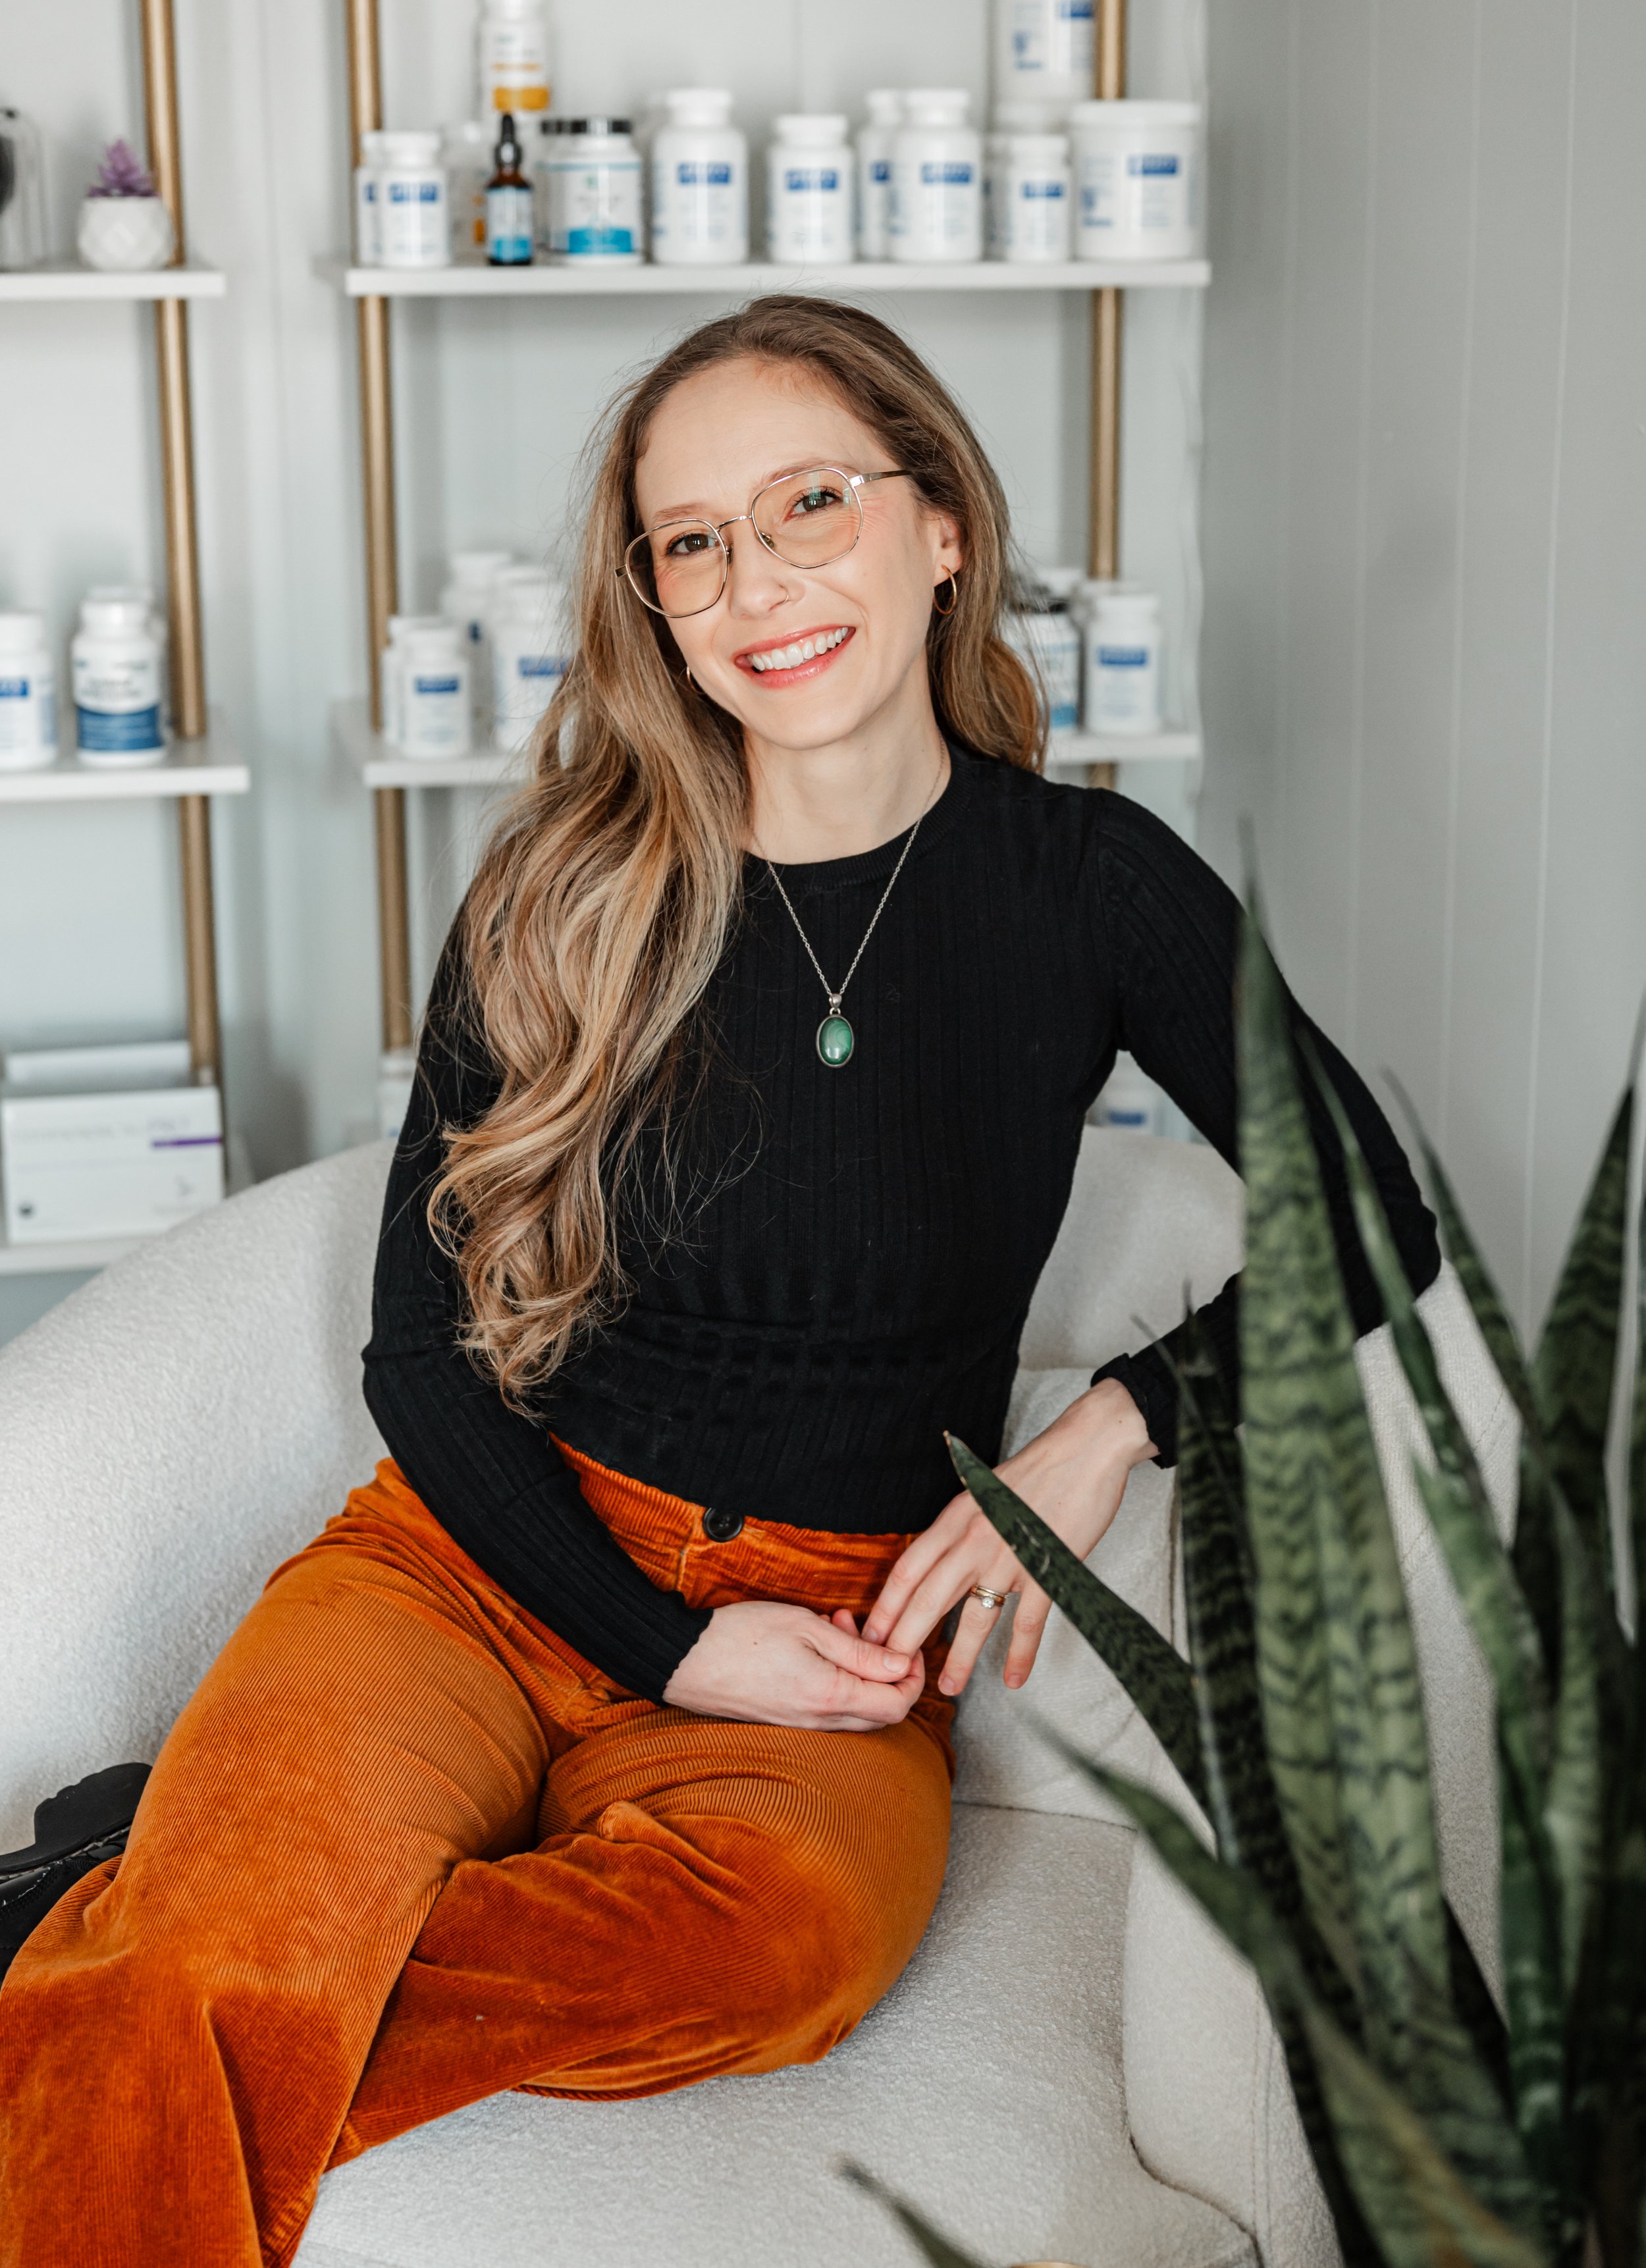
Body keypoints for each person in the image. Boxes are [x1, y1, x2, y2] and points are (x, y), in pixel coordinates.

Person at [0, 296, 1439, 2267]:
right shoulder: (564, 883)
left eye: (810, 505)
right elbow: (417, 1350)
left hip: (836, 1636)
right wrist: (663, 1643)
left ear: (940, 527)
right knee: (215, 1970)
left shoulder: (1090, 889)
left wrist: (1112, 1428)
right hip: (471, 1564)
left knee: (781, 1952)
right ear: (654, 603)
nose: (756, 579)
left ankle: (121, 1926)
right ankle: (177, 1940)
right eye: (693, 541)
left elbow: (1372, 1203)